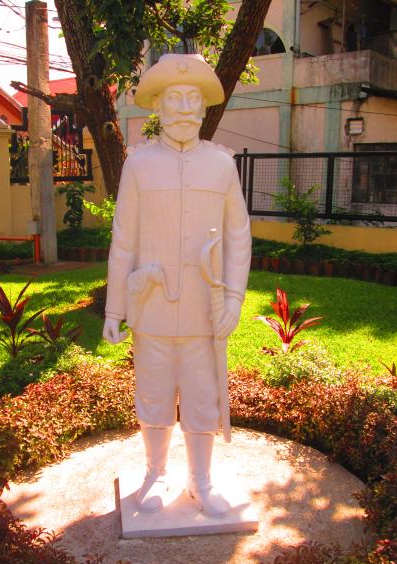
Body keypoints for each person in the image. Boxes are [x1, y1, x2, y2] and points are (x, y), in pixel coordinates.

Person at [103, 53, 251, 518]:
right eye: (174, 99)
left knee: (204, 395)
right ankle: (156, 474)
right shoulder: (139, 165)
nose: (185, 108)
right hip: (152, 308)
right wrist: (114, 310)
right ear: (159, 108)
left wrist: (233, 296)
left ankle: (201, 480)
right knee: (153, 392)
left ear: (204, 108)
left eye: (193, 100)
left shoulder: (222, 166)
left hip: (205, 312)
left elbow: (238, 235)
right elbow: (123, 239)